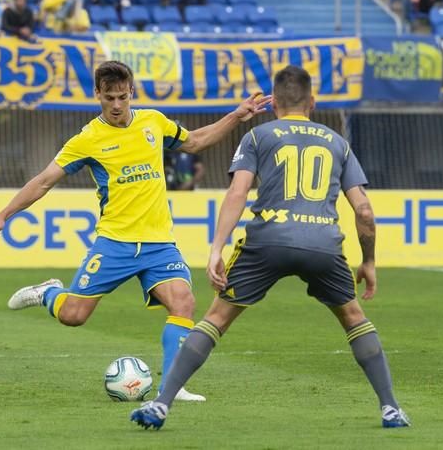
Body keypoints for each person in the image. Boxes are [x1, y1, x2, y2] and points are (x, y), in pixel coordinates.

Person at [130, 65, 410, 430]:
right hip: (322, 242)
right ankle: (390, 408)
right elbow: (365, 211)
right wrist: (369, 261)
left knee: (216, 318)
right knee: (354, 319)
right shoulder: (338, 143)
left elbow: (238, 192)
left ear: (273, 102)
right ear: (312, 101)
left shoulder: (258, 136)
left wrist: (217, 249)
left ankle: (161, 405)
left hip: (267, 240)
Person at [0, 60, 270, 402]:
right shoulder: (87, 139)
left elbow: (194, 141)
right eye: (109, 99)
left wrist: (236, 115)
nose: (117, 105)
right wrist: (3, 215)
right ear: (97, 95)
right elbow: (44, 181)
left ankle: (171, 387)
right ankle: (47, 293)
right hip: (115, 243)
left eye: (122, 97)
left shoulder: (153, 121)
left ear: (131, 91)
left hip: (159, 242)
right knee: (74, 316)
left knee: (183, 302)